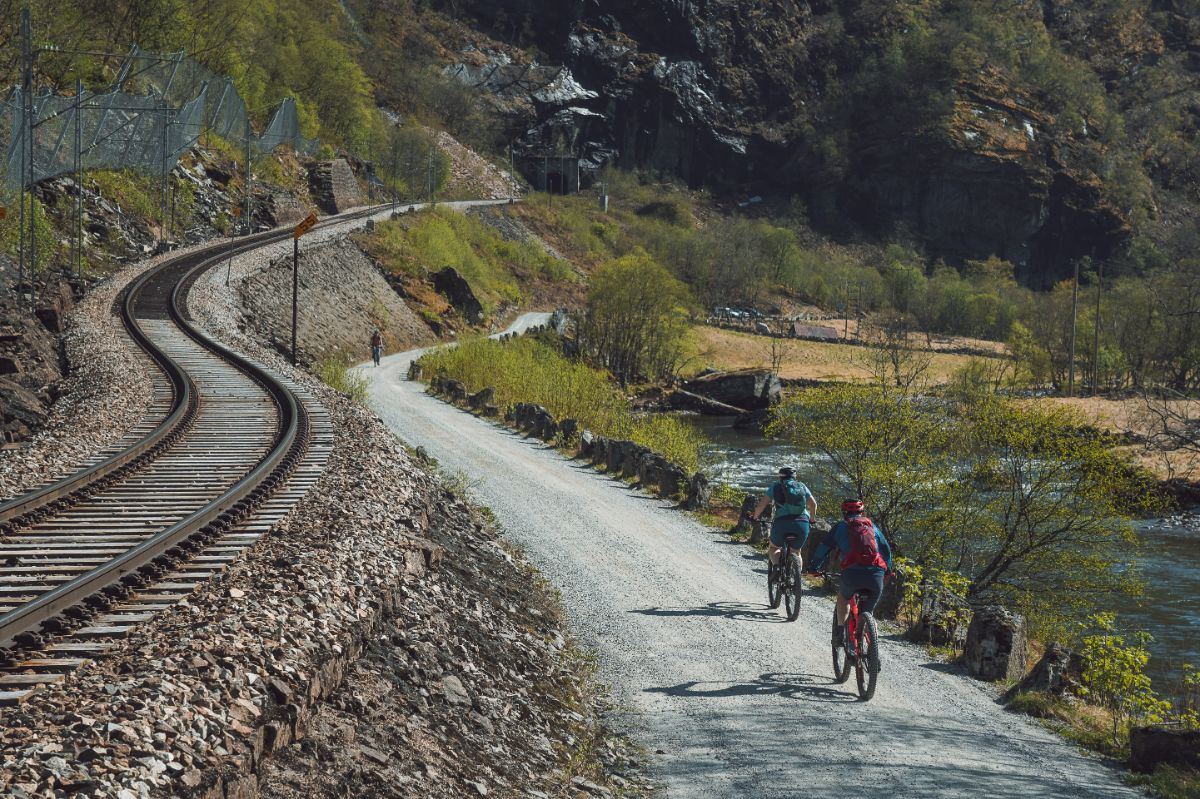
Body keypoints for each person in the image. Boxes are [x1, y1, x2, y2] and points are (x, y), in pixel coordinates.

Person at [808, 499, 893, 647]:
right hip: (876, 573)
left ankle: (840, 633)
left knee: (844, 598)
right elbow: (886, 552)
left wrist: (814, 567)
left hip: (852, 573)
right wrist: (888, 572)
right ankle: (874, 652)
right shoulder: (873, 527)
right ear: (862, 513)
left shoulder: (841, 527)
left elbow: (824, 548)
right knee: (868, 613)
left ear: (844, 514)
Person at [751, 466, 817, 570]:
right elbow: (813, 504)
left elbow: (761, 505)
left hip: (782, 523)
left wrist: (755, 517)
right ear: (794, 477)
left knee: (773, 548)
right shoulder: (802, 486)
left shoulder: (776, 486)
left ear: (780, 477)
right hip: (802, 523)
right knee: (796, 551)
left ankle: (777, 568)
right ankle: (797, 580)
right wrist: (812, 519)